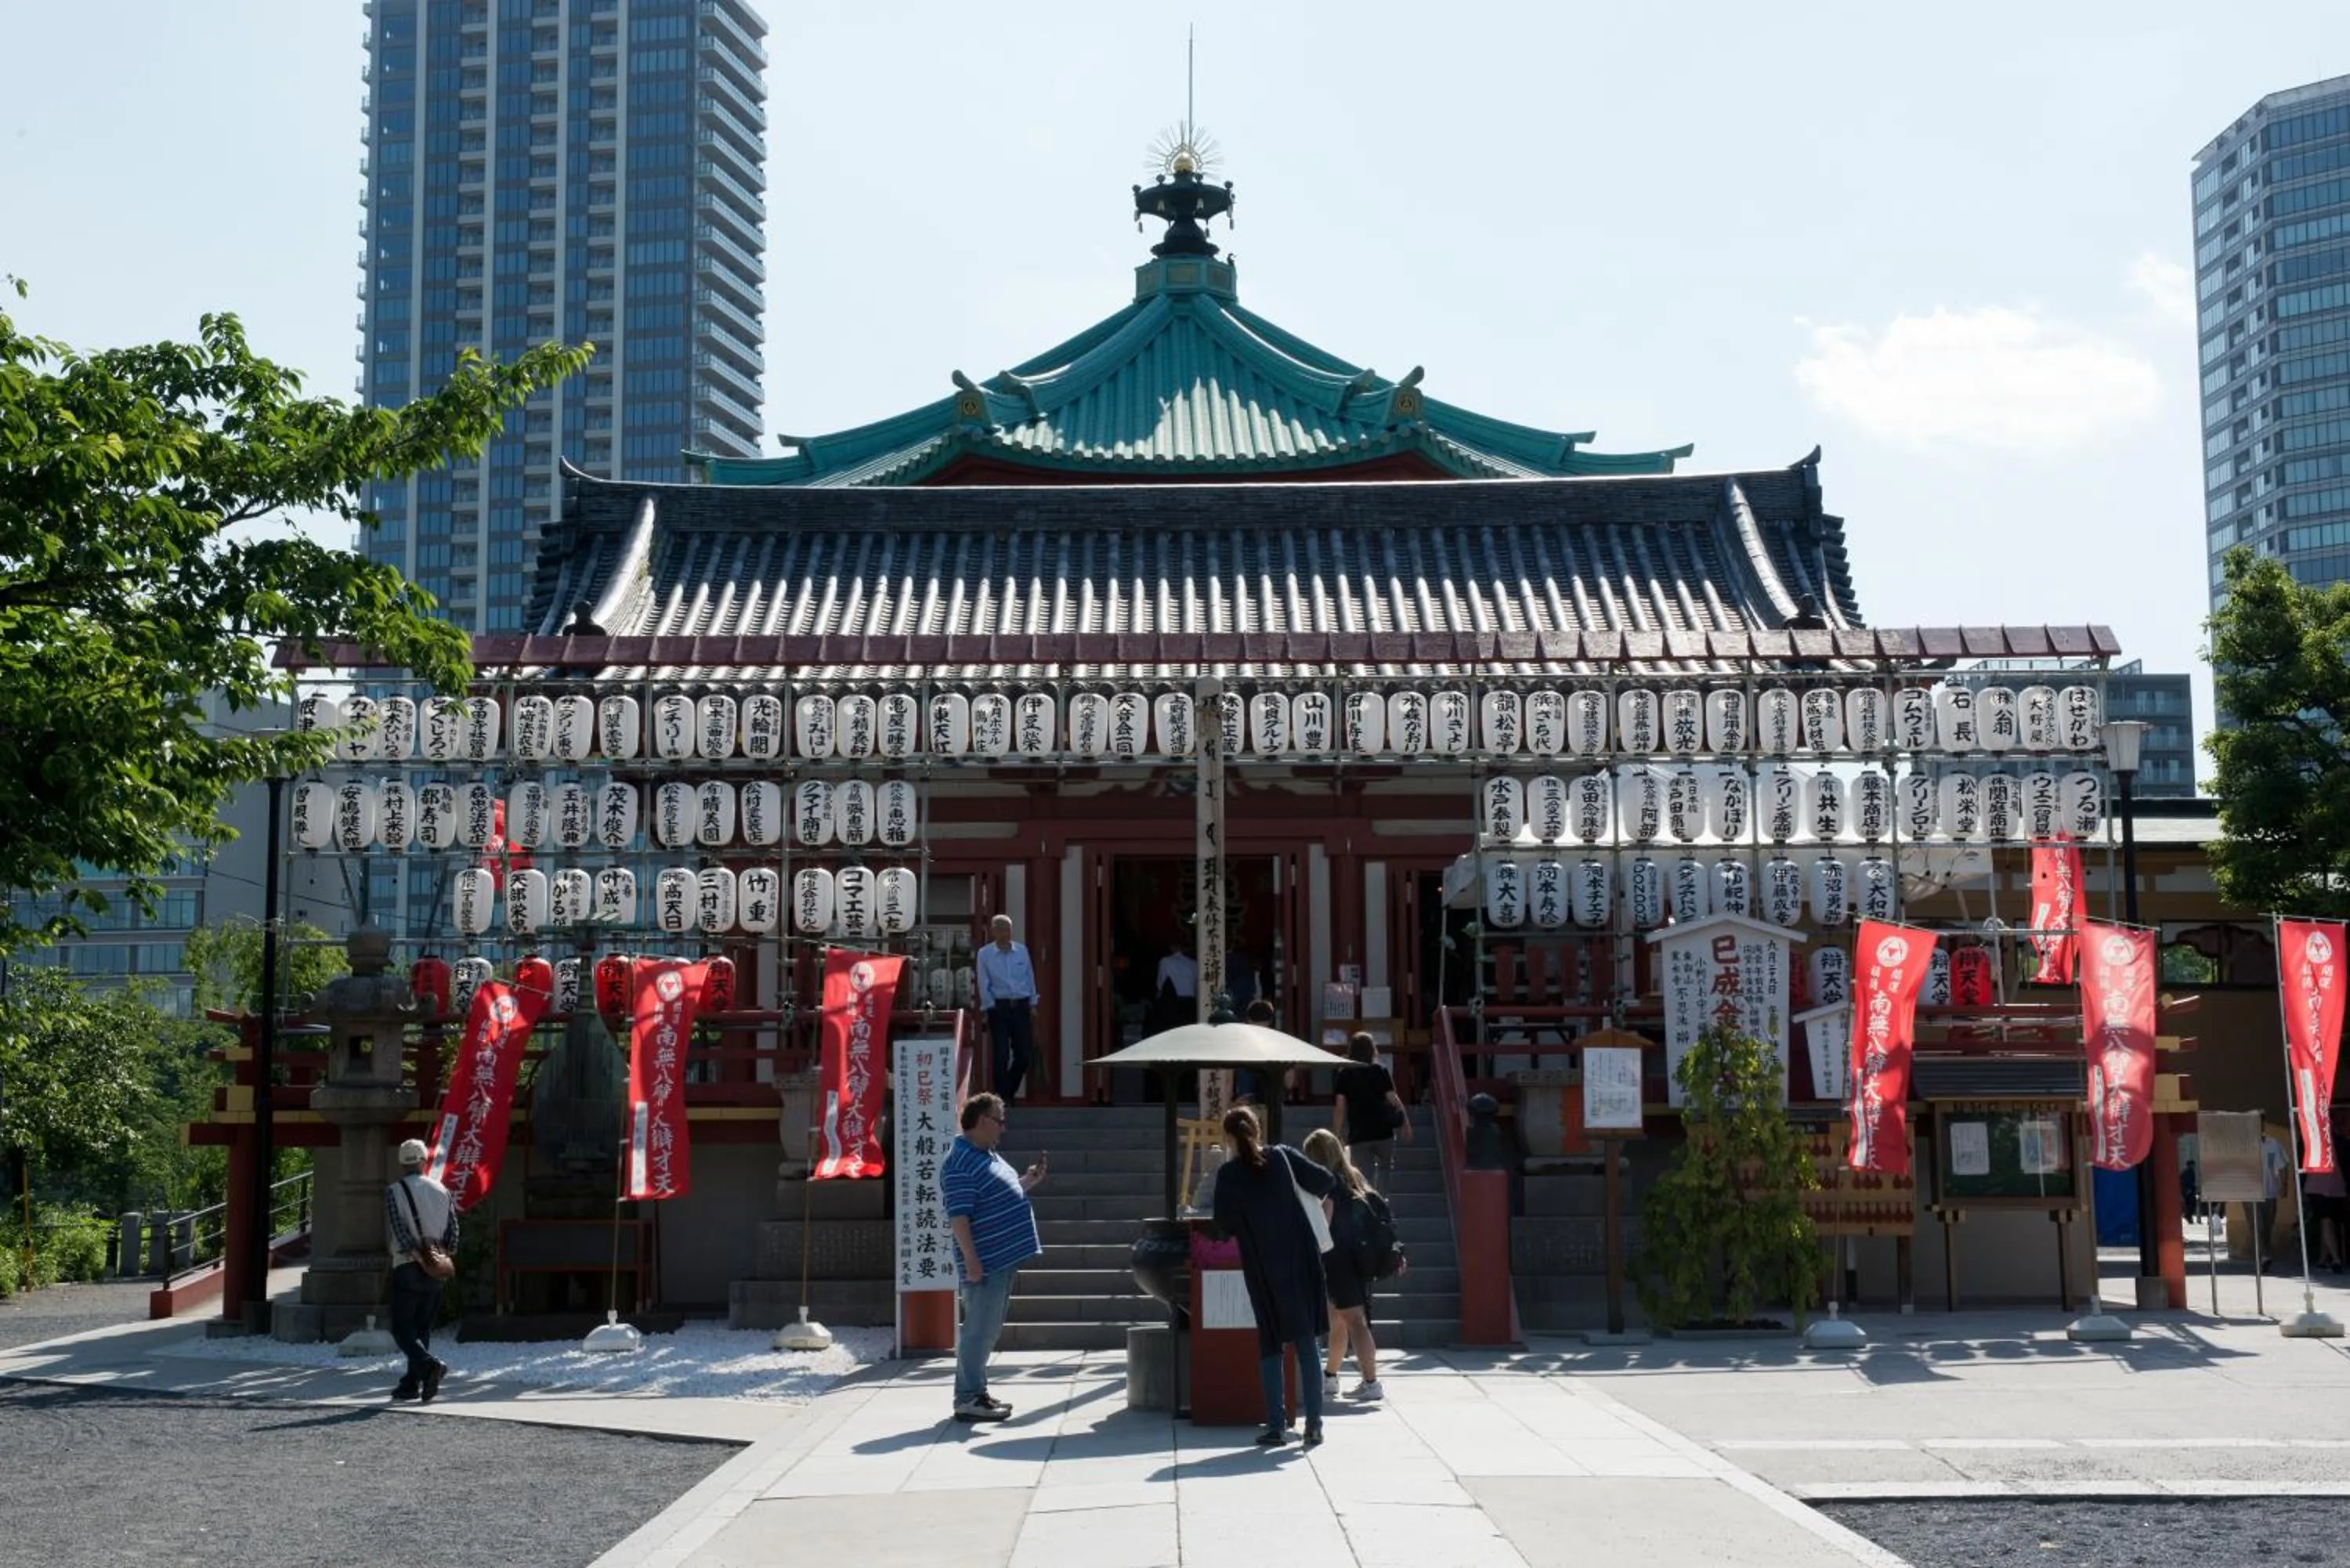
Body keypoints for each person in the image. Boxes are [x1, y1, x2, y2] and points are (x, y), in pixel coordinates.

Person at [1210, 1104, 1334, 1448]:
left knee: (1270, 1344)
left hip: (1262, 1267)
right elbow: (1326, 1180)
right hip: (1300, 1261)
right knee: (1307, 1344)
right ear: (1257, 1128)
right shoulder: (1283, 1157)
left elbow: (1224, 1224)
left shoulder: (1229, 1175)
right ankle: (1313, 1425)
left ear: (1229, 1138)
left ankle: (1277, 1425)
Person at [942, 1092, 1044, 1422]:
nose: (1003, 1128)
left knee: (987, 1328)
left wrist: (1026, 1182)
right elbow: (958, 1216)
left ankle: (976, 1392)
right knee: (979, 1330)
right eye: (1000, 1120)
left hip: (999, 1258)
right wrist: (972, 1260)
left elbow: (998, 1195)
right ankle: (968, 1397)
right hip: (985, 1262)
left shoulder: (985, 1154)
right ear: (983, 1121)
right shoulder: (961, 1161)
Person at [1303, 1127, 1395, 1404]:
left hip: (1338, 1261)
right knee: (1338, 1321)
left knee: (1354, 1322)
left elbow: (1324, 1226)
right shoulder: (1354, 1177)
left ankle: (1371, 1382)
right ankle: (1330, 1376)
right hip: (1357, 1258)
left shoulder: (1328, 1185)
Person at [383, 1138, 457, 1404]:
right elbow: (453, 1232)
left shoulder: (394, 1190)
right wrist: (440, 1256)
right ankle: (412, 1385)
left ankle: (429, 1366)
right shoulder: (442, 1189)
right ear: (424, 1160)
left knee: (402, 1327)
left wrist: (415, 1253)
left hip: (407, 1263)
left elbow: (399, 1231)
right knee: (422, 1328)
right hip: (437, 1265)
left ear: (402, 1162)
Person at [1332, 1032, 1411, 1193]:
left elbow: (1340, 1106)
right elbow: (1393, 1099)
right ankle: (1383, 1205)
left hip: (1359, 1133)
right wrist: (1406, 1123)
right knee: (1384, 1171)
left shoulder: (1345, 1073)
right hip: (1384, 1130)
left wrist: (1337, 1132)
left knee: (1362, 1174)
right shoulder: (1380, 1070)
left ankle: (1369, 1206)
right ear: (1372, 1050)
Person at [976, 915, 1041, 1105]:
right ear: (993, 931)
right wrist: (989, 1007)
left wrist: (1033, 1003)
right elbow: (983, 982)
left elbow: (1030, 977)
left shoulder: (1021, 951)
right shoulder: (985, 954)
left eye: (1008, 929)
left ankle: (1008, 1091)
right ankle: (1002, 1098)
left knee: (1024, 1053)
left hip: (1021, 1005)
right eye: (1002, 929)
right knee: (1001, 1054)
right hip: (1000, 1006)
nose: (1006, 934)